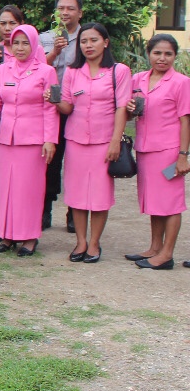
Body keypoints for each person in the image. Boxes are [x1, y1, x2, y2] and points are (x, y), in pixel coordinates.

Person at [54, 22, 130, 263]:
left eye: (94, 40)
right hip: (76, 140)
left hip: (104, 141)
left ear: (105, 42)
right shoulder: (73, 72)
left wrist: (115, 141)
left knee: (99, 195)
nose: (88, 45)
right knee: (76, 195)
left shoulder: (119, 71)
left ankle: (95, 243)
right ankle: (80, 242)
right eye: (84, 41)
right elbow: (67, 106)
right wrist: (54, 100)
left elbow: (121, 109)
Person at [0, 25, 58, 254]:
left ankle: (29, 238)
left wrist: (50, 139)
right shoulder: (3, 70)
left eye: (25, 43)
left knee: (29, 190)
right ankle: (7, 235)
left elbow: (50, 108)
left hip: (33, 140)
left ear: (34, 45)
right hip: (6, 139)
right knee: (7, 188)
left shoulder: (45, 71)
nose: (20, 48)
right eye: (16, 43)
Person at [127, 34, 190, 270]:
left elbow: (186, 120)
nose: (162, 58)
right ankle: (155, 247)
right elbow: (133, 113)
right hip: (145, 148)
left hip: (169, 151)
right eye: (157, 53)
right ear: (149, 53)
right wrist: (131, 109)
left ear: (175, 56)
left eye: (168, 54)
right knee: (155, 202)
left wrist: (183, 155)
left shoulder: (181, 82)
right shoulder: (139, 79)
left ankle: (167, 254)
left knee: (171, 203)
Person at [40, 0, 85, 232]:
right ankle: (45, 209)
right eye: (61, 8)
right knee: (51, 160)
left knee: (76, 162)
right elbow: (36, 68)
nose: (65, 12)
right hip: (53, 106)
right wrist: (55, 52)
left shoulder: (88, 38)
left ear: (80, 13)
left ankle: (73, 213)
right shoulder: (46, 38)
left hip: (79, 108)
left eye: (70, 8)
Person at [0, 5, 28, 239]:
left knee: (21, 177)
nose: (7, 28)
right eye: (2, 23)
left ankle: (20, 225)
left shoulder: (30, 50)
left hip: (24, 123)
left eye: (12, 23)